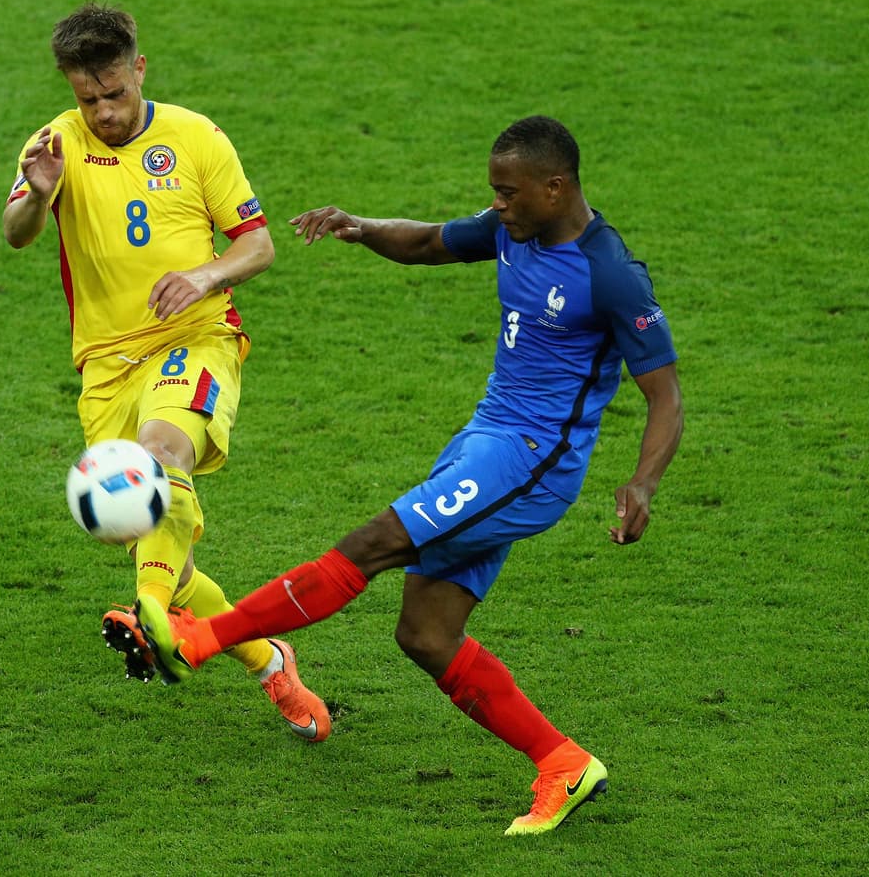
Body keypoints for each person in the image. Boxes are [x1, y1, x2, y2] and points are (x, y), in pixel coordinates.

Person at [130, 115, 683, 834]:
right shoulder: (512, 229)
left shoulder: (610, 274)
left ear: (557, 187)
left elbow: (665, 394)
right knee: (425, 634)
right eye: (495, 192)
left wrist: (642, 483)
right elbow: (427, 241)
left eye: (509, 193)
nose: (498, 205)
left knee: (374, 542)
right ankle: (564, 765)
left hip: (532, 464)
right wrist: (358, 225)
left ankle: (198, 641)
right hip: (482, 445)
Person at [2, 2, 330, 742]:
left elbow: (258, 245)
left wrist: (206, 277)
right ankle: (268, 660)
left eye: (115, 93)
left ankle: (149, 614)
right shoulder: (51, 145)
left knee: (161, 455)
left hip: (197, 339)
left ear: (139, 69)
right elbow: (16, 233)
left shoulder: (195, 137)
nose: (105, 111)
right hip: (105, 367)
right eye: (90, 98)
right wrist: (42, 191)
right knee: (160, 541)